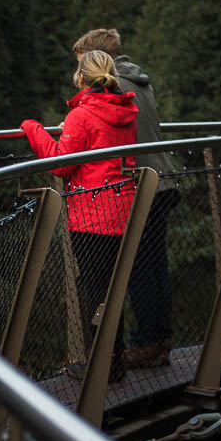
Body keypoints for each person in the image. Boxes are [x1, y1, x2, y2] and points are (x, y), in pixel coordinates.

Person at [22, 49, 139, 382]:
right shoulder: (126, 110)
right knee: (112, 290)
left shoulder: (82, 115)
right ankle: (113, 362)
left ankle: (102, 367)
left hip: (92, 215)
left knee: (95, 292)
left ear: (81, 77)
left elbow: (60, 164)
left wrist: (33, 128)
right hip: (124, 208)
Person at [72, 28, 176, 368]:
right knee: (153, 267)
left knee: (139, 270)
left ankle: (144, 345)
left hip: (138, 185)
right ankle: (158, 340)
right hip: (161, 179)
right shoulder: (139, 81)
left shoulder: (115, 87)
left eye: (81, 64)